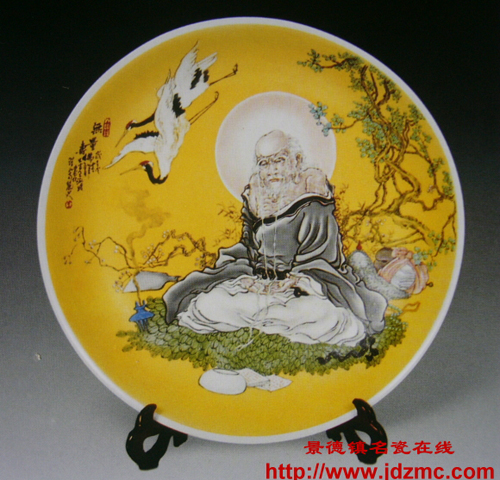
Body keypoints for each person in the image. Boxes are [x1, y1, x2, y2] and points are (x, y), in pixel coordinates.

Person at [163, 130, 387, 346]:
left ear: (296, 161)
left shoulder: (313, 202)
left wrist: (294, 281)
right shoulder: (256, 196)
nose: (271, 170)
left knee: (319, 313)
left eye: (279, 161)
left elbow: (324, 258)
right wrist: (249, 280)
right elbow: (248, 248)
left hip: (302, 288)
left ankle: (269, 322)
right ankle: (266, 321)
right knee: (208, 302)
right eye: (264, 163)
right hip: (258, 285)